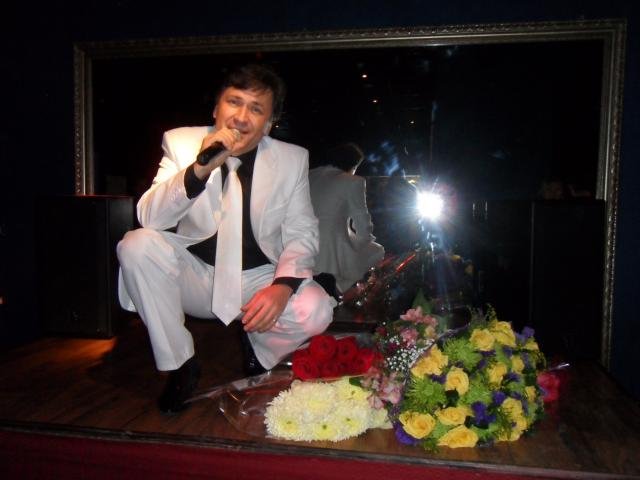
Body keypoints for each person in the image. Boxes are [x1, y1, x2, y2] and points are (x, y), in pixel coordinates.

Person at [116, 64, 336, 414]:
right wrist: (199, 169)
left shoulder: (292, 160)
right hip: (194, 273)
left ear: (269, 123)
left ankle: (260, 349)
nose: (241, 117)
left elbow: (302, 231)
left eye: (256, 109)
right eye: (234, 102)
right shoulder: (181, 142)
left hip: (257, 279)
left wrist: (282, 287)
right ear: (216, 108)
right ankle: (181, 364)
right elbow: (149, 217)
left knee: (316, 308)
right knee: (136, 245)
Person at [309, 143, 385, 294]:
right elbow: (362, 224)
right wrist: (365, 240)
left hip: (301, 245)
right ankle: (340, 289)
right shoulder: (353, 182)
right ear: (353, 165)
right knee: (377, 251)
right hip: (328, 251)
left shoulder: (310, 175)